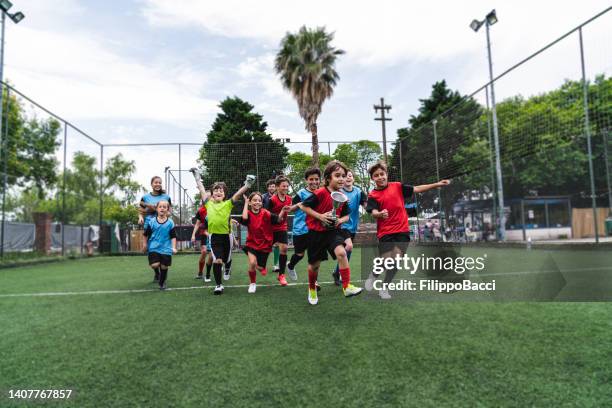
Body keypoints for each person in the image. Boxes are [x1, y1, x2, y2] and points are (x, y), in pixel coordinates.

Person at [365, 161, 450, 299]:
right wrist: (379, 214)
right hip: (385, 232)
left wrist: (437, 184)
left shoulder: (397, 186)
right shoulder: (373, 195)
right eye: (376, 175)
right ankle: (374, 274)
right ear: (372, 178)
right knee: (385, 260)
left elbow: (417, 189)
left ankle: (384, 288)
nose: (380, 177)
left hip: (402, 230)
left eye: (382, 174)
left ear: (386, 174)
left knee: (396, 261)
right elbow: (373, 211)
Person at [298, 160, 363, 305]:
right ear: (328, 178)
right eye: (337, 175)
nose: (342, 179)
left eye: (344, 176)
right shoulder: (320, 192)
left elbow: (347, 216)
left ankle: (346, 287)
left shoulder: (342, 196)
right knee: (314, 265)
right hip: (316, 232)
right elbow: (303, 206)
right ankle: (312, 289)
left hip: (333, 231)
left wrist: (340, 221)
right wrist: (320, 216)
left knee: (342, 252)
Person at [191, 168, 253, 295]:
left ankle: (228, 266)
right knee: (217, 260)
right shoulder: (208, 204)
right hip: (214, 237)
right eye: (216, 190)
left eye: (221, 190)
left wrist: (247, 185)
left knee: (227, 259)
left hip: (227, 236)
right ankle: (219, 285)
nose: (218, 192)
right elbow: (202, 190)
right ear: (212, 194)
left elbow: (237, 194)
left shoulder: (228, 204)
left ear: (224, 194)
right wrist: (197, 178)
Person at [240, 192, 289, 294]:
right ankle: (252, 283)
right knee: (252, 263)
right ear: (250, 203)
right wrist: (245, 203)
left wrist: (282, 211)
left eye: (259, 200)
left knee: (261, 267)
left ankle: (260, 267)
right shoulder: (248, 214)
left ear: (262, 203)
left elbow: (278, 220)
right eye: (254, 200)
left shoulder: (265, 212)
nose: (257, 202)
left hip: (264, 245)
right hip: (252, 243)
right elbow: (244, 219)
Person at [332, 170, 367, 286]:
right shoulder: (338, 192)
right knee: (349, 246)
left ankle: (337, 272)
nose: (348, 178)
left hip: (353, 226)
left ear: (353, 179)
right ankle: (342, 274)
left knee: (347, 250)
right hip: (341, 224)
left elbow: (366, 205)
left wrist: (375, 210)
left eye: (350, 176)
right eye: (345, 176)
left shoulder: (358, 191)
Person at [286, 168, 321, 282]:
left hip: (314, 229)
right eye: (311, 179)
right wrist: (301, 204)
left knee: (314, 258)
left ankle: (314, 282)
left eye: (316, 179)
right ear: (306, 180)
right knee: (300, 255)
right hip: (300, 229)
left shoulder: (321, 193)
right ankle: (290, 266)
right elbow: (291, 209)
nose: (314, 182)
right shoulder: (301, 193)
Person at [138, 176, 172, 282]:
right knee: (152, 253)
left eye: (159, 182)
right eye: (155, 182)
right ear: (151, 184)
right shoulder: (145, 197)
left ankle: (163, 272)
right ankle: (157, 273)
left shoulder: (166, 197)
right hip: (149, 225)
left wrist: (160, 211)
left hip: (162, 227)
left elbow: (170, 211)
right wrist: (140, 217)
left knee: (162, 251)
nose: (157, 184)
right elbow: (140, 209)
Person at [142, 200, 177, 290]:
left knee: (164, 266)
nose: (162, 208)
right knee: (154, 265)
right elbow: (145, 235)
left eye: (164, 207)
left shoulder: (170, 223)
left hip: (166, 248)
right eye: (160, 207)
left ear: (167, 209)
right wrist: (145, 245)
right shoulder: (152, 222)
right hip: (154, 247)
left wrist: (173, 247)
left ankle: (162, 283)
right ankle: (157, 273)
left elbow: (173, 236)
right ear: (157, 209)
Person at [264, 175, 292, 286]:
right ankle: (260, 265)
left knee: (284, 248)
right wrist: (279, 215)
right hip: (270, 228)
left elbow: (291, 208)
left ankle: (281, 275)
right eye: (283, 186)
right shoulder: (271, 200)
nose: (285, 188)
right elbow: (266, 214)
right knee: (264, 249)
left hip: (282, 227)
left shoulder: (289, 199)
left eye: (287, 186)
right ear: (277, 187)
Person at [262, 178, 281, 272]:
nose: (272, 188)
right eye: (270, 186)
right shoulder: (263, 197)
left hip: (276, 223)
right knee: (266, 244)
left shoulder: (280, 196)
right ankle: (262, 265)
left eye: (273, 186)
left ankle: (276, 265)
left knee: (277, 244)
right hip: (266, 223)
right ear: (267, 187)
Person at [190, 204, 211, 280]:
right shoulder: (201, 210)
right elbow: (197, 224)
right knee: (204, 252)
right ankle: (200, 272)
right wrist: (193, 235)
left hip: (215, 233)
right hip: (204, 233)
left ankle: (211, 272)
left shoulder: (217, 206)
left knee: (214, 255)